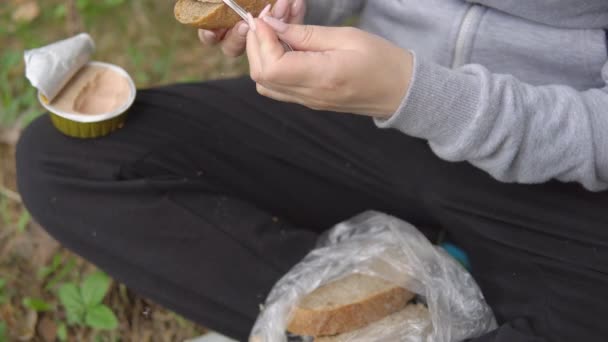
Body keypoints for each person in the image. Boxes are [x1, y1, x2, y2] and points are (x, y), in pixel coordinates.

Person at [16, 0, 608, 340]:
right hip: (363, 116)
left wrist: (417, 92)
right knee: (65, 163)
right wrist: (292, 9)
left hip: (563, 182)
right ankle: (388, 299)